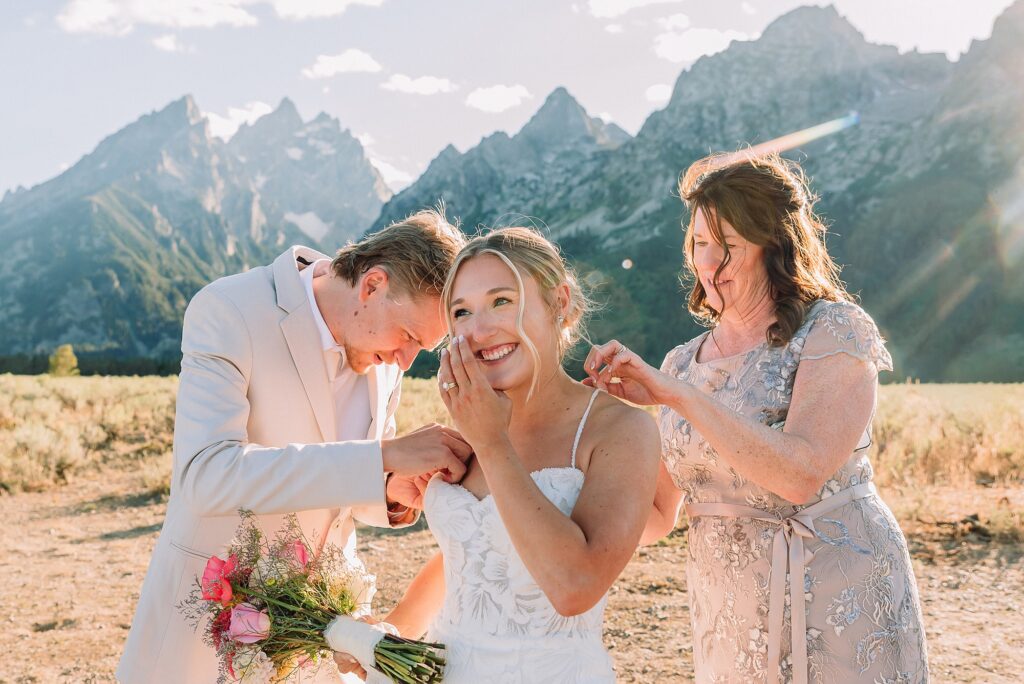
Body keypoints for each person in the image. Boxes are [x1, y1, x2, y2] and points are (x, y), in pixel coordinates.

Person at [585, 153, 929, 684]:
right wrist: (539, 485)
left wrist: (677, 396)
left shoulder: (834, 330)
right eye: (700, 243)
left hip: (838, 590)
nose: (709, 263)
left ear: (776, 246)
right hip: (730, 608)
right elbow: (656, 511)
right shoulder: (683, 362)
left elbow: (801, 471)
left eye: (729, 246)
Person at [118, 210, 473, 683]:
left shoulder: (382, 354)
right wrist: (383, 457)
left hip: (314, 642)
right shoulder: (230, 309)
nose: (405, 361)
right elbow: (206, 477)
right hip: (202, 632)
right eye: (409, 336)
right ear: (372, 285)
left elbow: (341, 492)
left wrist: (387, 489)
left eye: (421, 347)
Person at [335, 227, 660, 682]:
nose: (480, 330)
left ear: (560, 302)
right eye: (461, 312)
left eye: (502, 301)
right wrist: (392, 634)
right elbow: (471, 556)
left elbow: (575, 587)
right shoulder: (470, 427)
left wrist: (491, 443)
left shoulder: (621, 431)